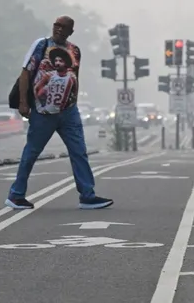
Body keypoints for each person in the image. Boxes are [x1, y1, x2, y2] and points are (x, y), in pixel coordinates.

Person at [6, 15, 113, 210]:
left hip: (68, 112)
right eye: (56, 25)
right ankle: (16, 195)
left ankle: (87, 195)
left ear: (71, 31)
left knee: (79, 151)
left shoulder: (74, 51)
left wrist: (74, 101)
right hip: (43, 111)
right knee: (31, 152)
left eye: (64, 27)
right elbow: (25, 73)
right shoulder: (41, 45)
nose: (59, 29)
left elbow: (75, 77)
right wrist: (23, 102)